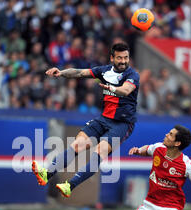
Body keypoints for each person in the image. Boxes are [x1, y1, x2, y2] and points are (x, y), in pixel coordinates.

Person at [32, 42, 139, 198]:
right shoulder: (104, 71)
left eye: (126, 58)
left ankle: (70, 185)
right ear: (112, 58)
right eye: (119, 58)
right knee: (77, 144)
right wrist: (61, 73)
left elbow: (126, 90)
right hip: (104, 118)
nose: (123, 61)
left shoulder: (132, 75)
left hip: (123, 124)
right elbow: (79, 73)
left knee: (99, 151)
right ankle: (47, 174)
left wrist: (112, 89)